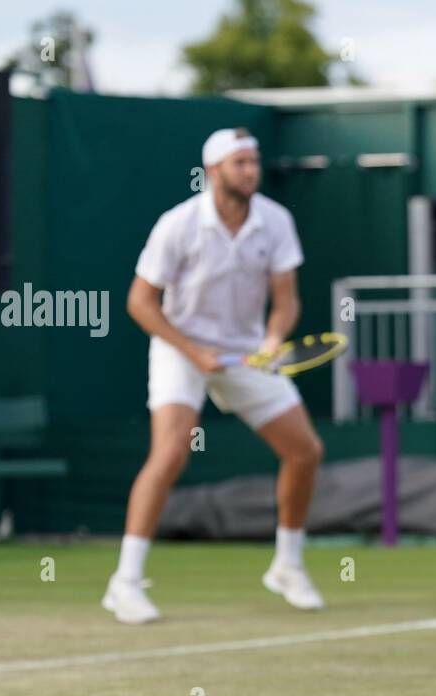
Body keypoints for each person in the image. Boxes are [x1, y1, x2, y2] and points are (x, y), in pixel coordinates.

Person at [102, 127, 326, 623]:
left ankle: (287, 565)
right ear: (214, 172)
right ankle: (126, 581)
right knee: (172, 450)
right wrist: (192, 350)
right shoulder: (177, 225)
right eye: (240, 163)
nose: (251, 170)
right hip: (179, 348)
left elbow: (286, 299)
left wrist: (272, 340)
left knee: (305, 451)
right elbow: (140, 303)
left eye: (254, 161)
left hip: (246, 353)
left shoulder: (276, 220)